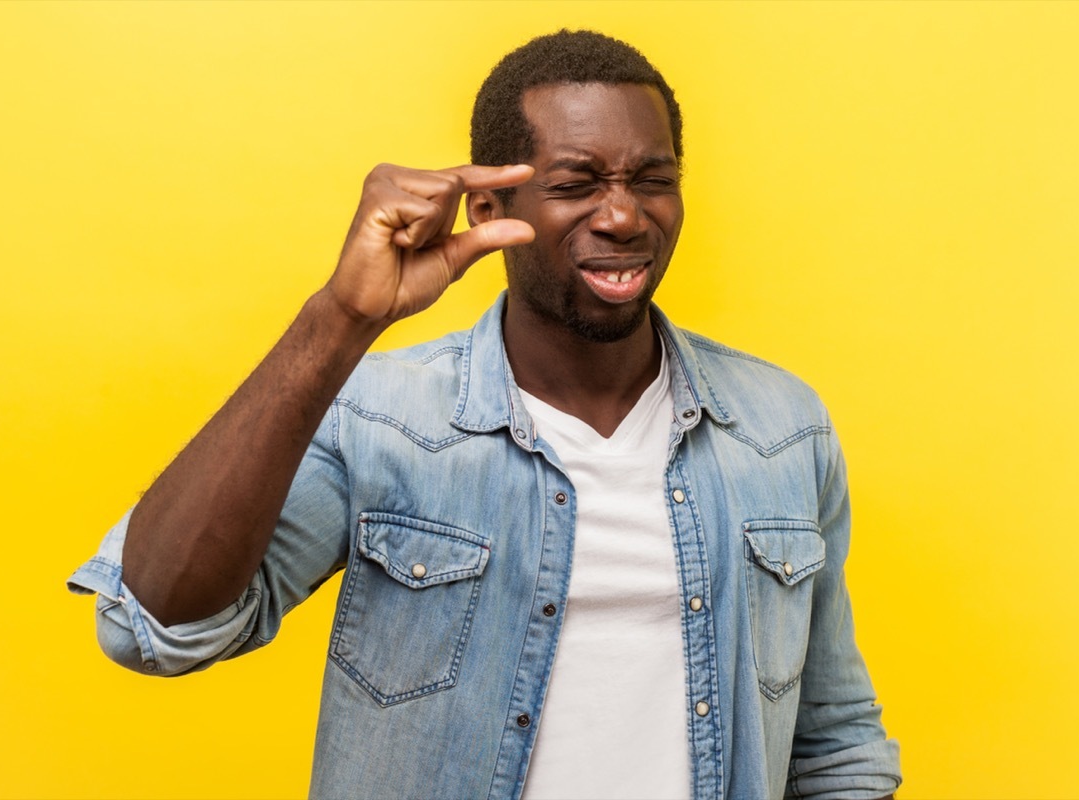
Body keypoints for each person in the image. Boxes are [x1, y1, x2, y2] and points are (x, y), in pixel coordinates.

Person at [70, 29, 901, 800]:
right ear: (490, 211)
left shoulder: (781, 427)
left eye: (653, 180)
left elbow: (832, 745)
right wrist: (341, 319)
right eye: (576, 184)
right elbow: (156, 627)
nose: (623, 216)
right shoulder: (380, 418)